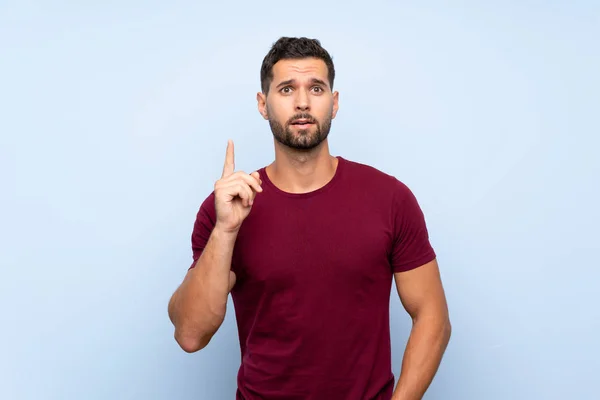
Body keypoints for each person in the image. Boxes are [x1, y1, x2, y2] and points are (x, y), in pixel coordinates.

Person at [168, 37, 451, 400]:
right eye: (286, 89)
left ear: (333, 103)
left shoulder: (390, 199)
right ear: (263, 104)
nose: (302, 102)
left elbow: (433, 318)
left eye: (316, 88)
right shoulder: (225, 208)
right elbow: (191, 334)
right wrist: (225, 230)